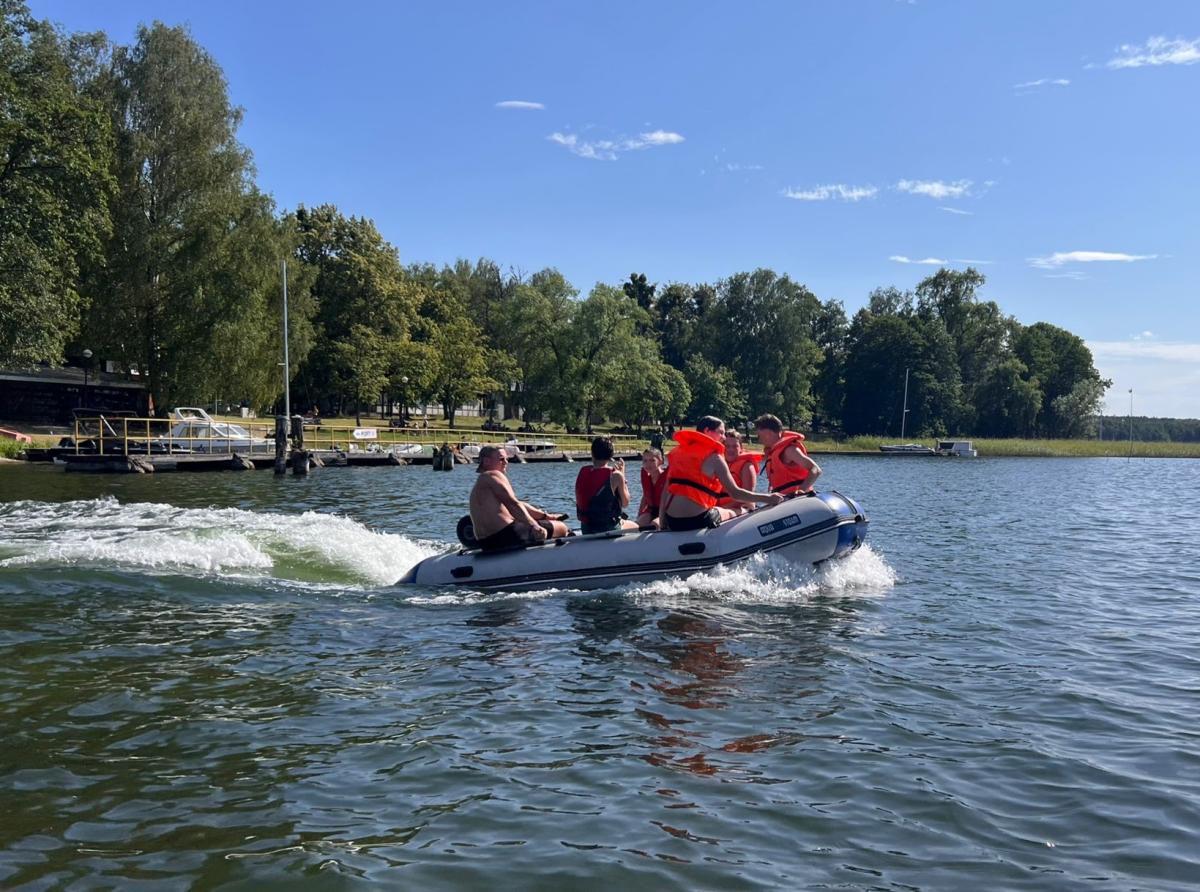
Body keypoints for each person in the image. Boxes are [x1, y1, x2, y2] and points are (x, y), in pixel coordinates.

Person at [662, 416, 783, 531]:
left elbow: (665, 492)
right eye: (721, 432)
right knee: (739, 512)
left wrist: (662, 521)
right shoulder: (715, 458)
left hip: (672, 520)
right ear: (707, 431)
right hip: (698, 519)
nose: (724, 437)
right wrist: (768, 498)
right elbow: (735, 493)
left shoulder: (678, 454)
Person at [469, 445, 569, 550]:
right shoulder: (493, 475)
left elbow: (518, 505)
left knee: (547, 522)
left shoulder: (480, 485)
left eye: (507, 459)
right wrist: (534, 525)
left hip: (485, 542)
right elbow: (513, 505)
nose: (506, 462)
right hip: (506, 536)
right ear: (487, 461)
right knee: (562, 527)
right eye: (501, 459)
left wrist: (547, 516)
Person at [575, 437, 640, 534]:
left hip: (586, 528)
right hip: (608, 528)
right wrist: (622, 475)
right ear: (611, 455)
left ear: (592, 453)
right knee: (636, 526)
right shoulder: (616, 475)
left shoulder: (583, 471)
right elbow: (625, 503)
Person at [753, 413, 822, 496]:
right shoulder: (773, 453)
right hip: (783, 498)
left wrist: (801, 490)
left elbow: (816, 469)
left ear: (769, 433)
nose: (760, 440)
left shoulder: (789, 450)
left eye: (759, 436)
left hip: (797, 498)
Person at [715, 429, 763, 514]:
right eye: (727, 446)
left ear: (741, 448)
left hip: (742, 509)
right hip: (719, 509)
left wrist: (721, 509)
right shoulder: (719, 464)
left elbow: (747, 496)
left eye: (735, 446)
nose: (731, 449)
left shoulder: (747, 466)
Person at [636, 447, 669, 529]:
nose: (648, 464)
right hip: (651, 510)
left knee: (654, 524)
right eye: (645, 461)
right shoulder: (645, 476)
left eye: (652, 460)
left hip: (666, 511)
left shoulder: (667, 476)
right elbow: (645, 496)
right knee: (638, 524)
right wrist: (639, 515)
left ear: (660, 461)